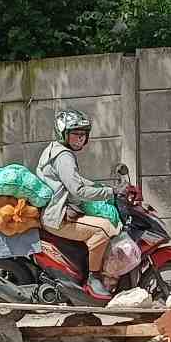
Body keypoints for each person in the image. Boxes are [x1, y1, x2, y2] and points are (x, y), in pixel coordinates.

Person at [36, 108, 119, 298]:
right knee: (104, 229)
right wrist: (110, 192)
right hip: (58, 217)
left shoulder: (54, 149)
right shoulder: (64, 156)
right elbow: (78, 190)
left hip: (55, 211)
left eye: (83, 134)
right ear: (63, 133)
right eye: (75, 133)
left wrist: (100, 186)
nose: (80, 138)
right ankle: (94, 278)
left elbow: (75, 180)